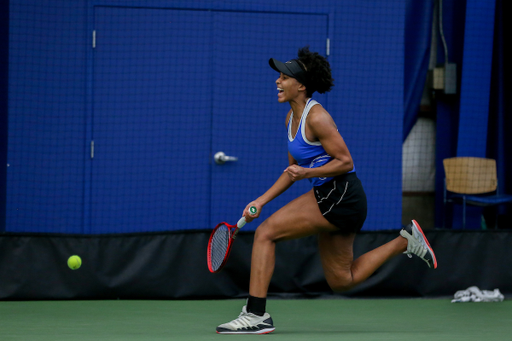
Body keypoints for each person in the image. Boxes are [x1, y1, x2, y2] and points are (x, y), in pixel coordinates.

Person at [216, 47, 437, 335]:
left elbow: (346, 161)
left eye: (284, 77)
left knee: (266, 233)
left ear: (301, 85)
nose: (277, 82)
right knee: (342, 280)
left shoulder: (317, 117)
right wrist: (260, 201)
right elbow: (292, 173)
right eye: (278, 77)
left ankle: (256, 314)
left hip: (342, 195)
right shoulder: (289, 120)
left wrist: (309, 172)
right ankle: (405, 241)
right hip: (330, 195)